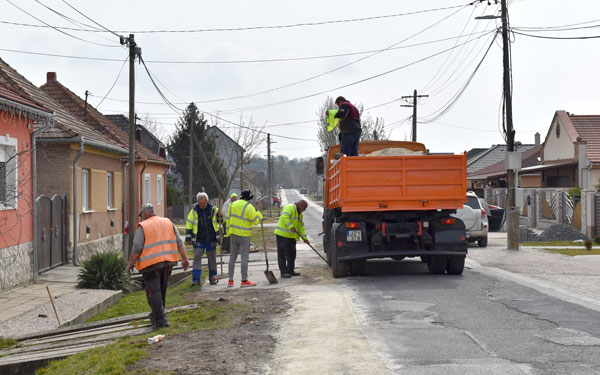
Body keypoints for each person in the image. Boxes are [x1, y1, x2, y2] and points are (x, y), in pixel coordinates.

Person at [126, 203, 190, 329]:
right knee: (161, 290)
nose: (141, 218)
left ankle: (160, 320)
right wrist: (185, 258)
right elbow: (179, 242)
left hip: (150, 264)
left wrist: (130, 264)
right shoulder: (168, 222)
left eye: (141, 215)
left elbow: (137, 247)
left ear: (144, 213)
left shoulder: (143, 226)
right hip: (168, 262)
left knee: (153, 292)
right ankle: (157, 315)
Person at [225, 189, 262, 287]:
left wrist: (228, 233)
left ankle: (230, 281)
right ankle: (244, 280)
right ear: (249, 198)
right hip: (244, 236)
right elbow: (255, 221)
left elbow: (227, 220)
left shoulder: (232, 205)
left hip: (233, 235)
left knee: (232, 258)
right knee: (244, 258)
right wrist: (259, 213)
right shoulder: (249, 207)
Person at [185, 192, 221, 286]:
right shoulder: (194, 211)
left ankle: (213, 278)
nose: (202, 205)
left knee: (212, 260)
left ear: (206, 201)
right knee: (197, 259)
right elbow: (189, 224)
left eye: (203, 203)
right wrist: (188, 236)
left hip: (211, 239)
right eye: (200, 203)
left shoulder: (213, 209)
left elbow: (221, 221)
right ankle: (196, 280)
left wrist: (219, 216)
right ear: (198, 202)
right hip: (199, 240)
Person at [274, 200, 309, 278]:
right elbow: (284, 217)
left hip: (291, 237)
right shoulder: (289, 207)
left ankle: (290, 270)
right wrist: (291, 226)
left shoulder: (299, 214)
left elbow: (301, 227)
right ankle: (283, 272)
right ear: (300, 205)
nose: (305, 210)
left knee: (292, 254)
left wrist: (304, 238)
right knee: (282, 254)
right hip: (282, 235)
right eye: (304, 208)